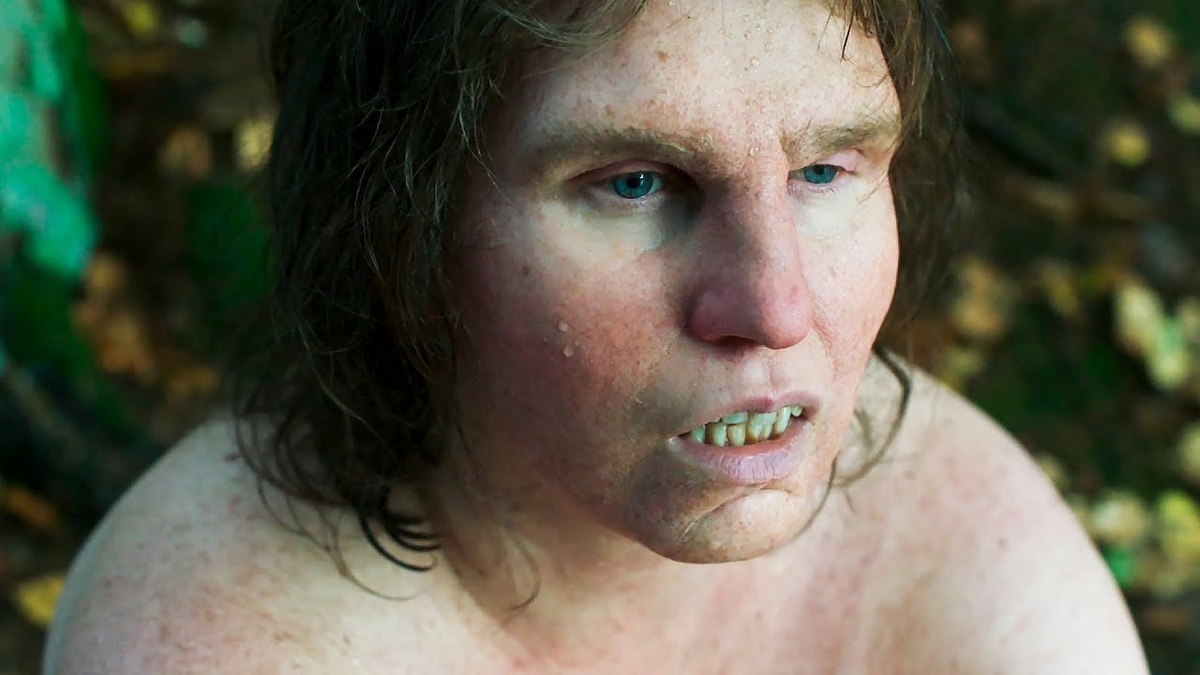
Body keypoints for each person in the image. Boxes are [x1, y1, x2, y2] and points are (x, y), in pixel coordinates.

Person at [44, 0, 1150, 672]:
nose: (776, 308)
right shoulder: (215, 635)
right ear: (401, 230)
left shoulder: (972, 561)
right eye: (635, 183)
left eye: (823, 171)